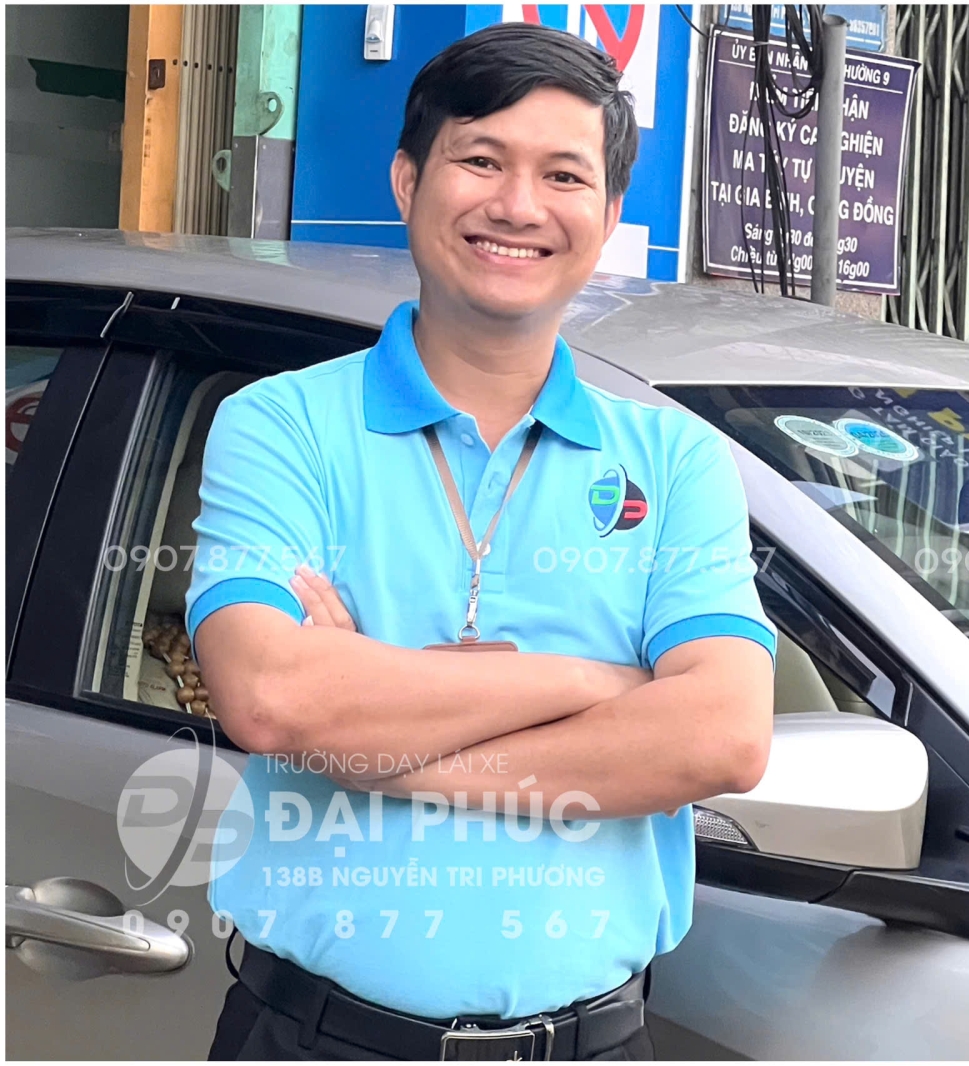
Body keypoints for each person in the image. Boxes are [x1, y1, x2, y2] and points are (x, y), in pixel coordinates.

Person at [187, 23, 776, 1061]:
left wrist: (381, 756)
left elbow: (721, 736)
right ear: (407, 181)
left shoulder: (678, 459)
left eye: (564, 175)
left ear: (608, 215)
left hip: (589, 1044)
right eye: (481, 160)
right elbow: (273, 698)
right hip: (318, 1039)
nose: (518, 206)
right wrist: (598, 685)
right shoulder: (281, 425)